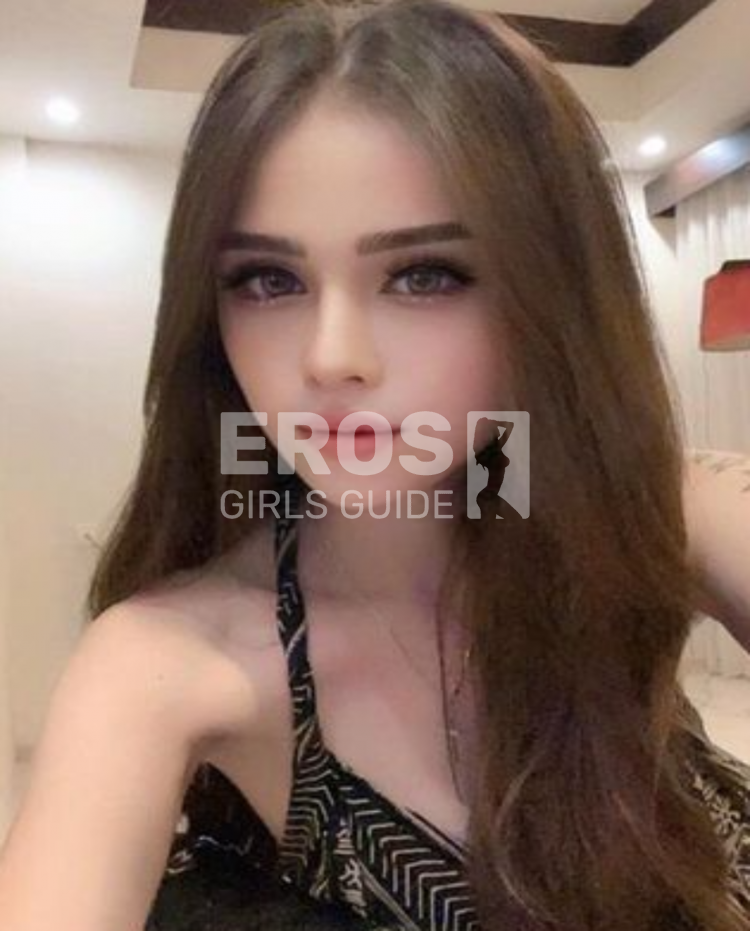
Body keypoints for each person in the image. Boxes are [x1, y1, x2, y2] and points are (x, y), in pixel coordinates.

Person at [0, 1, 749, 929]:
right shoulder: (170, 661)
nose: (332, 358)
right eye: (268, 280)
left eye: (424, 274)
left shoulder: (655, 516)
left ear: (552, 295)